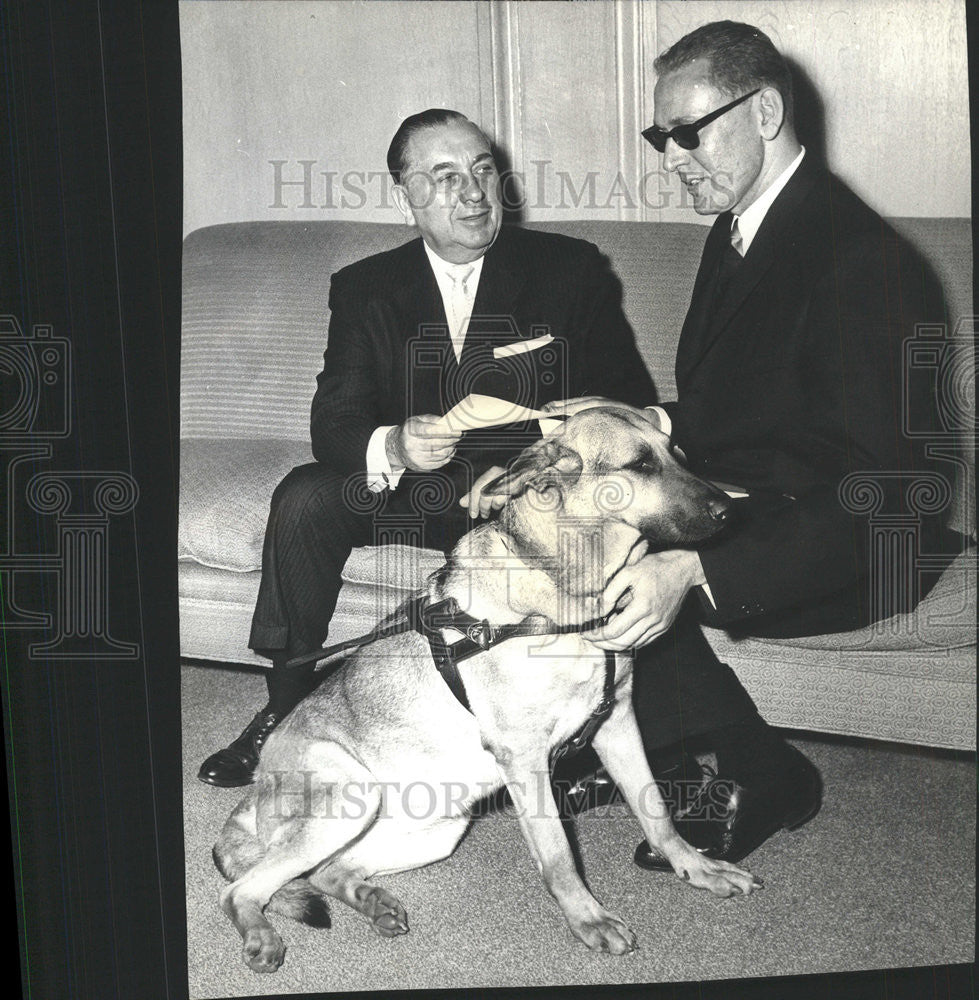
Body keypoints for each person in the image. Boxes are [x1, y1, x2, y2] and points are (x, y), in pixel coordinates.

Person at [541, 21, 956, 868]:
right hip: (760, 496)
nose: (672, 157)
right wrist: (637, 419)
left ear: (763, 110)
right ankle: (641, 752)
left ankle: (765, 773)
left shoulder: (859, 259)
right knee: (553, 509)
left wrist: (698, 566)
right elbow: (751, 413)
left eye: (688, 133)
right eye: (662, 138)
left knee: (605, 555)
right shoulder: (743, 227)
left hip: (855, 541)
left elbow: (895, 487)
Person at [197, 108, 656, 787]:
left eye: (482, 172)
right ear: (407, 195)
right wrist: (397, 444)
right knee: (306, 494)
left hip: (531, 498)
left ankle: (569, 738)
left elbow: (624, 403)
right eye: (445, 177)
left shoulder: (570, 271)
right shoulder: (364, 287)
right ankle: (286, 704)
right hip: (424, 487)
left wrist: (535, 465)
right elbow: (336, 419)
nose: (473, 194)